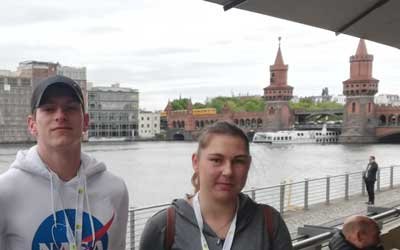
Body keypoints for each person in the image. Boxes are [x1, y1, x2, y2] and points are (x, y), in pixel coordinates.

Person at [0, 75, 129, 250]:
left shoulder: (114, 189)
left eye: (70, 108)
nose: (60, 115)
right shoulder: (6, 192)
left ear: (85, 122)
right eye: (49, 108)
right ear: (32, 125)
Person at [139, 121, 293, 250]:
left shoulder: (269, 224)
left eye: (238, 161)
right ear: (195, 162)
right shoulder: (163, 228)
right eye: (216, 160)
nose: (228, 171)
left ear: (248, 165)